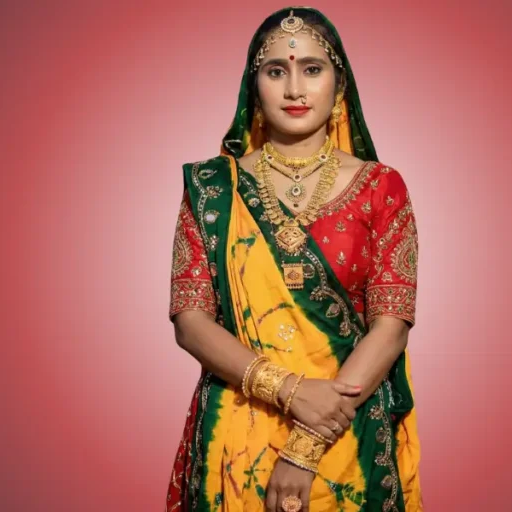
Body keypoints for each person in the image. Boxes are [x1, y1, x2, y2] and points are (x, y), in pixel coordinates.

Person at [165, 7, 422, 511]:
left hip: (344, 434)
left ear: (339, 83)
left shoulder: (382, 187)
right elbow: (190, 322)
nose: (294, 90)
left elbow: (390, 328)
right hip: (235, 433)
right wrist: (288, 390)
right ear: (254, 86)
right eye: (276, 71)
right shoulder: (213, 189)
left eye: (312, 68)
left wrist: (305, 444)